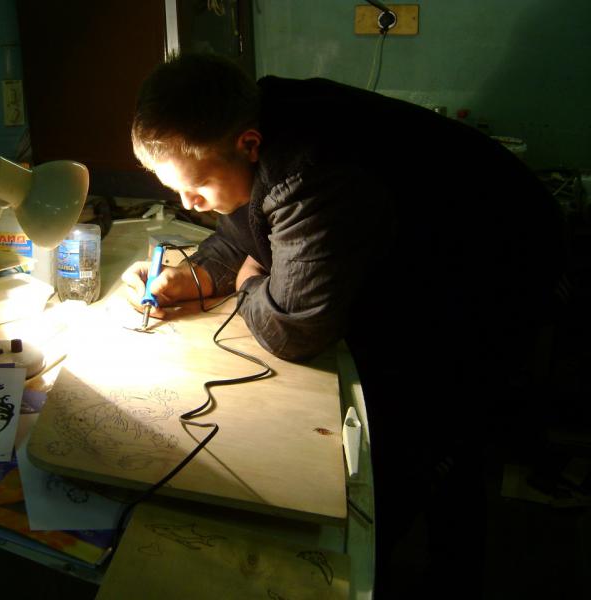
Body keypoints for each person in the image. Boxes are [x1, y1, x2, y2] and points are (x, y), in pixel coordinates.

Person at [121, 53, 564, 597]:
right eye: (176, 190)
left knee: (434, 433)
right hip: (425, 237)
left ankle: (444, 575)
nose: (188, 205)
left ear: (249, 145)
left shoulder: (308, 172)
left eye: (197, 188)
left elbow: (295, 329)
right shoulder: (243, 122)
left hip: (497, 261)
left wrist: (248, 284)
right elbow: (244, 226)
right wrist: (194, 273)